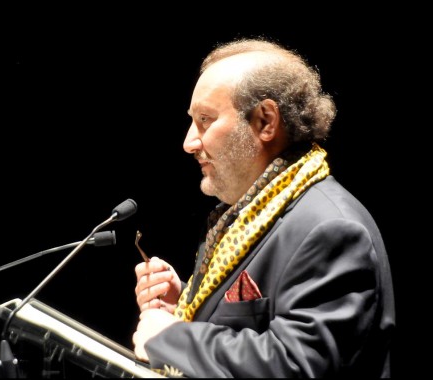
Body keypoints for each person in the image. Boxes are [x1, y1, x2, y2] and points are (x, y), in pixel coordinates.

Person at [132, 37, 395, 378]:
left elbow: (299, 364)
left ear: (266, 121)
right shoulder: (251, 213)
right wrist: (184, 304)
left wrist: (170, 338)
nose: (189, 142)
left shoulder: (332, 229)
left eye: (205, 120)